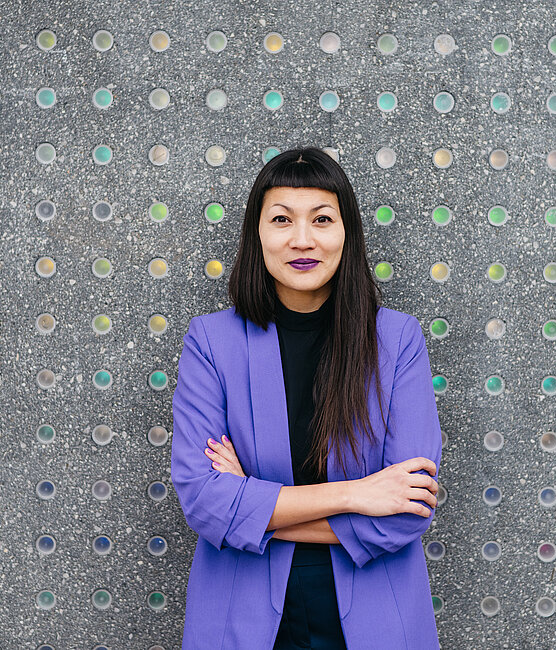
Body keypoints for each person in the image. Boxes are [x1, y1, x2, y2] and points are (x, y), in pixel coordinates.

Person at [171, 147, 442, 649]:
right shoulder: (211, 341)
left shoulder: (397, 339)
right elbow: (205, 501)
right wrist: (356, 494)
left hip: (377, 614)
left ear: (347, 232)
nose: (302, 239)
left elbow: (407, 509)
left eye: (321, 219)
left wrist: (251, 504)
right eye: (281, 219)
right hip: (240, 613)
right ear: (257, 233)